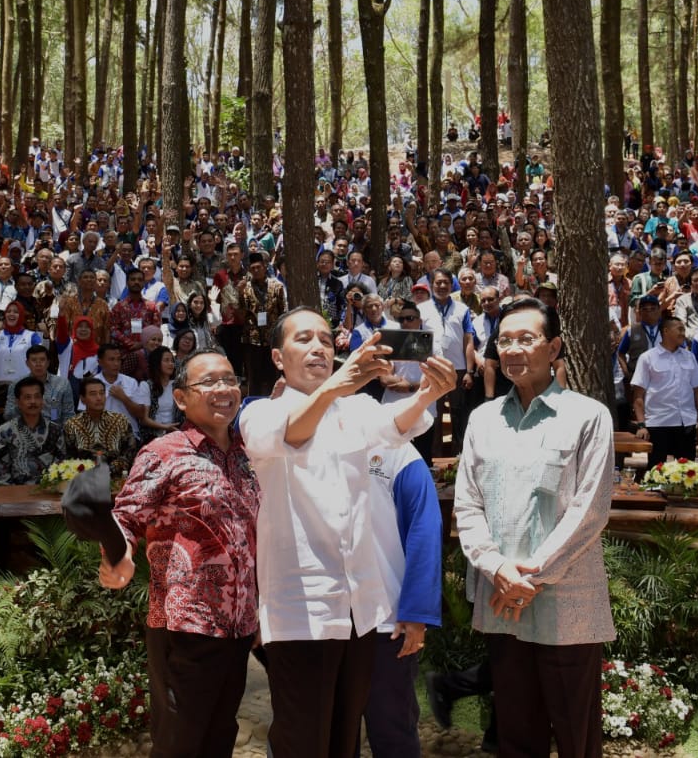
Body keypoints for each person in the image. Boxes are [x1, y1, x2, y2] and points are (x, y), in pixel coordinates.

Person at [237, 308, 457, 758]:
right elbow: (291, 436)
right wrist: (339, 383)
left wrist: (428, 393)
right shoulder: (260, 412)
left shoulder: (355, 407)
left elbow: (396, 428)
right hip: (301, 612)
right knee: (304, 739)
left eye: (324, 338)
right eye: (303, 339)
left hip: (360, 608)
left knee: (343, 739)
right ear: (279, 357)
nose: (318, 346)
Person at [454, 297, 616, 758]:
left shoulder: (588, 416)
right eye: (505, 340)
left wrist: (530, 576)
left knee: (576, 736)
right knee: (516, 734)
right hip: (501, 601)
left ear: (555, 347)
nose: (513, 349)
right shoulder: (482, 420)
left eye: (527, 338)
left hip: (567, 606)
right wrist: (496, 567)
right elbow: (467, 505)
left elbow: (590, 511)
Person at [97, 349, 260, 758]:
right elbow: (126, 516)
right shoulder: (164, 452)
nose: (222, 389)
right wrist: (120, 556)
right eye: (208, 382)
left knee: (221, 735)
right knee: (179, 740)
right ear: (182, 398)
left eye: (229, 379)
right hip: (183, 625)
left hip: (238, 626)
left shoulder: (248, 455)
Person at [359, 441, 443, 757]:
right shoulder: (299, 433)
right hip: (324, 621)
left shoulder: (396, 449)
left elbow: (425, 526)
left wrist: (417, 612)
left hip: (387, 621)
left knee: (392, 729)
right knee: (326, 732)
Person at [631, 317, 698, 467]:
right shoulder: (648, 358)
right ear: (665, 331)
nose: (683, 333)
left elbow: (697, 392)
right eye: (679, 329)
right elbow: (638, 395)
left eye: (684, 329)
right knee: (656, 473)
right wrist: (641, 425)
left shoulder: (689, 357)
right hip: (658, 424)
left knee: (687, 474)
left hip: (686, 423)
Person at [419, 268, 477, 453]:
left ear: (452, 285)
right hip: (431, 367)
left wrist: (469, 371)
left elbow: (468, 341)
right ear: (431, 284)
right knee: (433, 412)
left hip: (457, 368)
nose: (442, 286)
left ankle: (458, 455)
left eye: (446, 282)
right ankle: (434, 455)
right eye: (438, 282)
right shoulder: (421, 309)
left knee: (457, 413)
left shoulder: (462, 309)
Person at [0, 375, 67, 485]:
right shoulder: (5, 431)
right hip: (14, 494)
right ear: (18, 402)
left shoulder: (55, 430)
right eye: (27, 397)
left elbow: (61, 465)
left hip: (48, 491)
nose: (33, 401)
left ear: (42, 400)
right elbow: (1, 471)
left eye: (37, 397)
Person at [64, 376, 138, 480]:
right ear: (82, 399)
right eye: (93, 394)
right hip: (83, 482)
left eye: (102, 393)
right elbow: (68, 458)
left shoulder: (121, 421)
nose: (99, 398)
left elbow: (130, 453)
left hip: (115, 480)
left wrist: (111, 468)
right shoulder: (72, 425)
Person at [236, 251, 287, 396]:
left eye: (259, 267)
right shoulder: (245, 288)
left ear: (265, 267)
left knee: (272, 374)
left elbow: (283, 311)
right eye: (253, 268)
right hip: (252, 338)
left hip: (272, 337)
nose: (256, 270)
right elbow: (240, 313)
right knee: (254, 376)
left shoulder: (277, 287)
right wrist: (239, 293)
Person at [4, 344, 76, 424]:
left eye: (42, 360)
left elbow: (69, 415)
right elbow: (8, 415)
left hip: (55, 431)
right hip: (25, 431)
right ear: (27, 363)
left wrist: (60, 433)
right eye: (34, 360)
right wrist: (21, 404)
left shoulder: (62, 384)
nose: (38, 364)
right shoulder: (16, 385)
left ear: (48, 362)